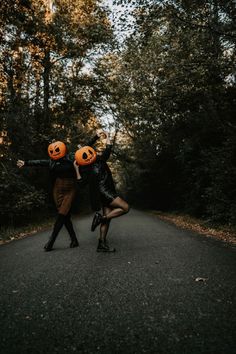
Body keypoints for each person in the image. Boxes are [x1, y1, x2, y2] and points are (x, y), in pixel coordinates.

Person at [17, 132, 102, 251]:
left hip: (70, 188)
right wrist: (25, 163)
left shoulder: (71, 157)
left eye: (56, 149)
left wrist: (96, 137)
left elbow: (84, 149)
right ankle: (74, 240)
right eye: (52, 150)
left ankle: (51, 241)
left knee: (62, 214)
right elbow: (40, 162)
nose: (54, 151)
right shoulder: (52, 161)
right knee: (65, 216)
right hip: (57, 189)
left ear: (63, 149)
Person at [74, 131, 130, 252]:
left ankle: (101, 244)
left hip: (101, 194)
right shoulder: (100, 160)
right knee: (125, 208)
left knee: (108, 219)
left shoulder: (85, 168)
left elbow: (81, 184)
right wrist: (108, 136)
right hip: (106, 192)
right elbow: (108, 148)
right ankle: (100, 218)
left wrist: (76, 169)